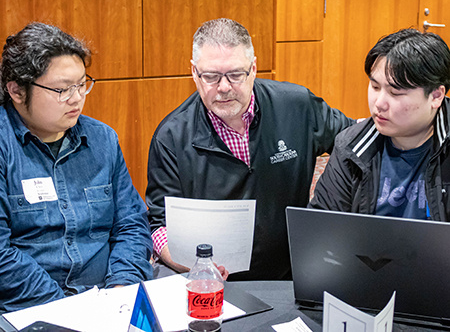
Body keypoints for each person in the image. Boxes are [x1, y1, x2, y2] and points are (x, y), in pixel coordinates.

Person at [146, 18, 354, 281]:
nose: (223, 87)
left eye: (235, 75)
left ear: (253, 69)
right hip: (210, 279)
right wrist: (198, 269)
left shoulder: (297, 106)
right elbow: (160, 225)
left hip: (292, 272)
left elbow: (354, 142)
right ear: (194, 73)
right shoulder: (171, 137)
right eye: (211, 76)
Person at [0, 23, 153, 313]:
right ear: (17, 91)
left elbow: (131, 224)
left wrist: (121, 287)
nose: (76, 98)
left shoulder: (102, 139)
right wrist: (68, 309)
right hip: (29, 310)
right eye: (61, 89)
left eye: (81, 84)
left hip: (107, 302)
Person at [310, 28, 450, 221]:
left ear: (436, 96)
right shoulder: (351, 146)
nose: (379, 103)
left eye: (395, 93)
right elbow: (322, 227)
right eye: (375, 87)